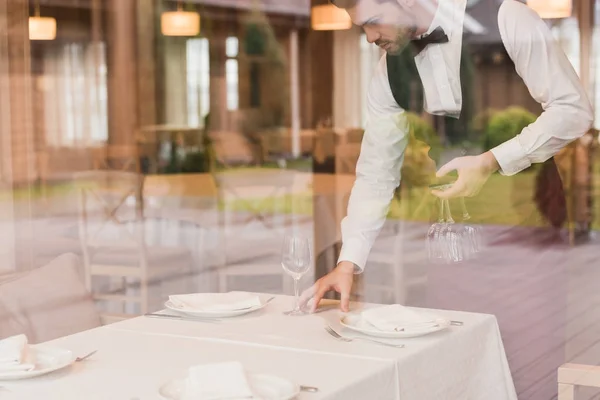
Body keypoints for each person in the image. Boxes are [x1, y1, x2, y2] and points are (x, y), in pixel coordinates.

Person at [300, 0, 593, 313]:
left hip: (527, 234)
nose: (370, 37)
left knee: (531, 353)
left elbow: (573, 110)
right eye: (362, 27)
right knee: (454, 353)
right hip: (448, 248)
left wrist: (490, 160)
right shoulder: (388, 70)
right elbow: (376, 173)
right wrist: (349, 262)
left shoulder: (508, 19)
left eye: (373, 21)